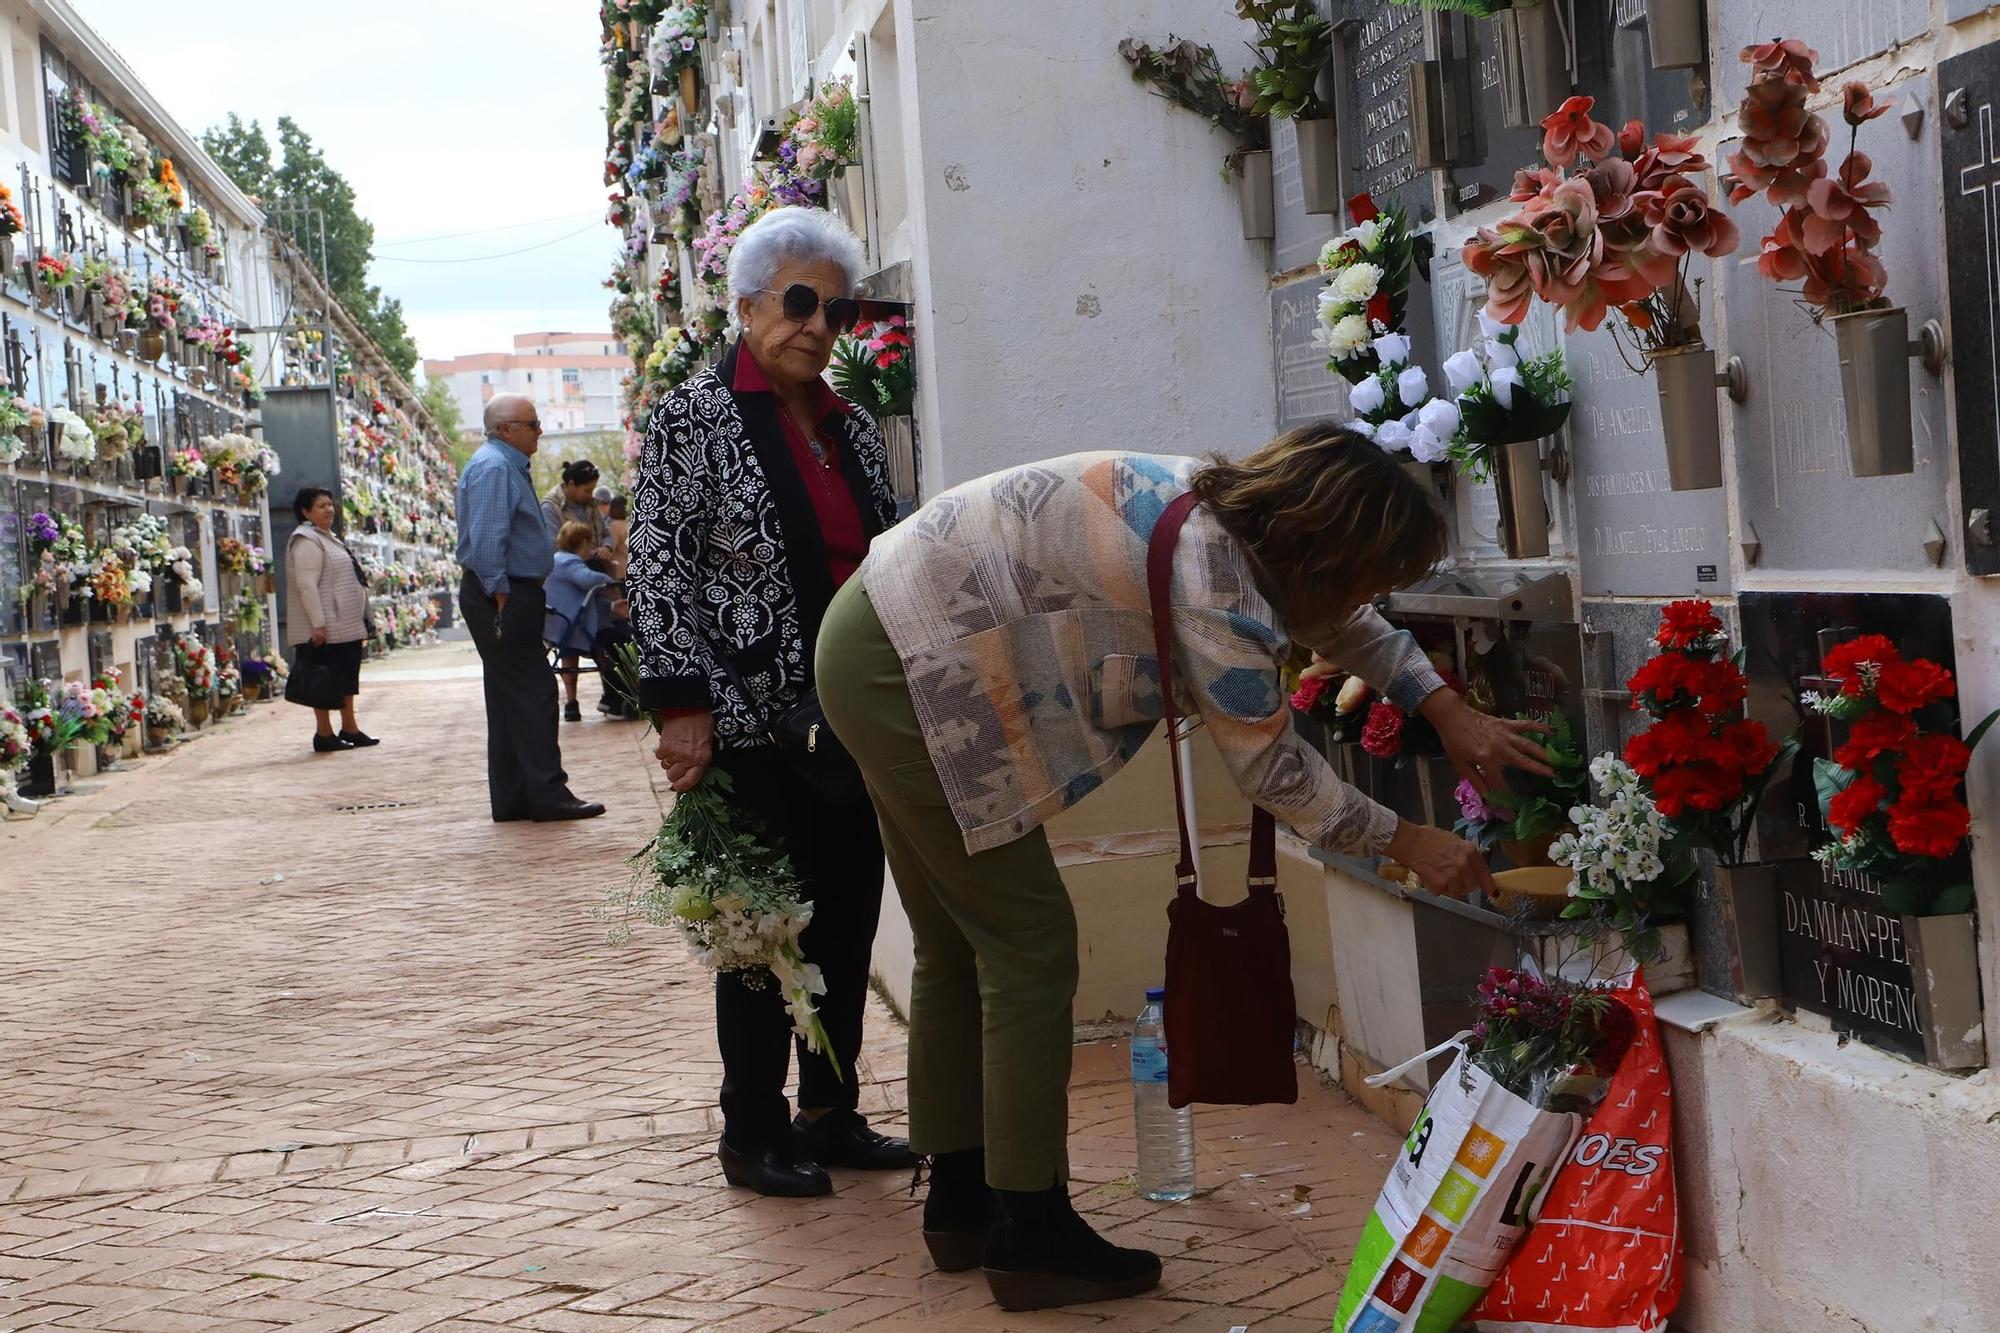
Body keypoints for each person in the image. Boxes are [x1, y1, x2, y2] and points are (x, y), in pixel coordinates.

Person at [813, 429, 1553, 1312]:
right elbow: (1276, 771)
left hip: (875, 629)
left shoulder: (1233, 515)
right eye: (1373, 571)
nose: (1373, 593)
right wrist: (1413, 842)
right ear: (1325, 548)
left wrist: (1443, 707)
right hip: (911, 666)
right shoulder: (1219, 580)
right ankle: (1030, 1228)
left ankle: (963, 1204)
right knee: (1029, 947)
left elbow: (1342, 619)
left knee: (953, 938)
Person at [628, 206, 913, 1199]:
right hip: (747, 716)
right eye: (796, 302)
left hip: (853, 721)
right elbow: (658, 566)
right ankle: (749, 1131)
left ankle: (829, 1115)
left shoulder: (850, 428)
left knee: (842, 921)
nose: (815, 325)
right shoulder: (690, 419)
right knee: (757, 933)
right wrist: (680, 704)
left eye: (833, 310)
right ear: (744, 303)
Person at [455, 393, 605, 823]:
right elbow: (486, 538)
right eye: (532, 423)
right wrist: (499, 593)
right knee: (535, 692)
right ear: (505, 429)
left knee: (507, 697)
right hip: (504, 595)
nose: (539, 430)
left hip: (506, 592)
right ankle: (547, 793)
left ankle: (514, 796)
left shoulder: (502, 464)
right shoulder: (495, 467)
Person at [284, 486, 376, 753]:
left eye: (330, 504)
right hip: (325, 627)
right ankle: (324, 733)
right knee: (322, 680)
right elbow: (307, 585)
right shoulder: (306, 541)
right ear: (306, 511)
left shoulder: (328, 537)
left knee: (347, 678)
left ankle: (350, 728)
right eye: (321, 505)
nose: (329, 509)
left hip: (345, 625)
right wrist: (318, 624)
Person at [542, 460, 615, 721]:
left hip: (590, 578)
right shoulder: (551, 507)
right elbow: (552, 546)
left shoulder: (591, 506)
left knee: (600, 635)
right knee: (580, 642)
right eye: (586, 490)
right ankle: (572, 701)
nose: (589, 495)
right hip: (568, 582)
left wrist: (604, 546)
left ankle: (612, 694)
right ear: (570, 485)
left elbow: (605, 534)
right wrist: (580, 557)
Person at [545, 520, 637, 718]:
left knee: (610, 644)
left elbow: (583, 600)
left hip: (565, 622)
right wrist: (610, 579)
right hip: (572, 626)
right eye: (589, 543)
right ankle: (618, 699)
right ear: (582, 543)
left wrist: (612, 607)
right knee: (619, 643)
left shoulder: (558, 559)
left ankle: (611, 699)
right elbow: (587, 579)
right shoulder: (568, 562)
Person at [606, 493, 630, 579]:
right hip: (629, 568)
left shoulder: (613, 526)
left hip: (619, 570)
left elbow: (610, 548)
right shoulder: (628, 523)